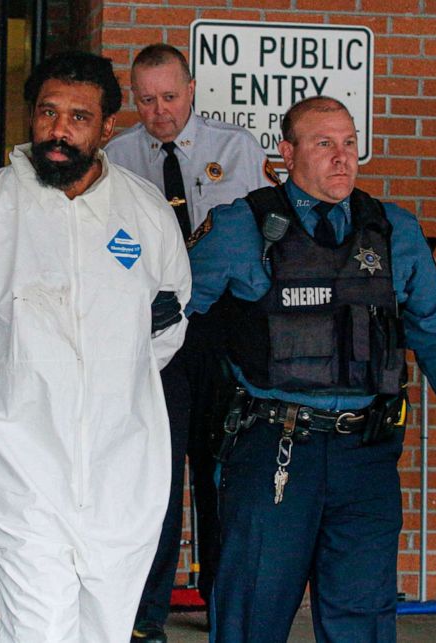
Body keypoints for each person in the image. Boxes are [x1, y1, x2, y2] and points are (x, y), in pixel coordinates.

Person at [189, 95, 436, 642]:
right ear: (288, 152)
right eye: (324, 144)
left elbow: (435, 330)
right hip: (272, 450)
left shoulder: (394, 232)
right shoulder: (242, 228)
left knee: (364, 620)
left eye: (349, 143)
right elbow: (166, 315)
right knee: (250, 615)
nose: (342, 158)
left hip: (365, 456)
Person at [0, 51, 191, 642]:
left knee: (107, 624)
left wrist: (109, 371)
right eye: (48, 113)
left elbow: (167, 327)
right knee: (37, 619)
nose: (60, 130)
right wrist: (6, 391)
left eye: (78, 117)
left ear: (106, 128)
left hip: (124, 460)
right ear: (31, 117)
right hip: (20, 458)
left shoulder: (145, 214)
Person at [105, 43, 277, 642]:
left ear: (194, 88)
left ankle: (225, 608)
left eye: (170, 97)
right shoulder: (117, 158)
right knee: (155, 474)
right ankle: (145, 615)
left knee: (224, 473)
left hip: (224, 331)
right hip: (153, 332)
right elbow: (107, 240)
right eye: (146, 100)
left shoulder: (237, 150)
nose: (160, 112)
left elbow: (264, 244)